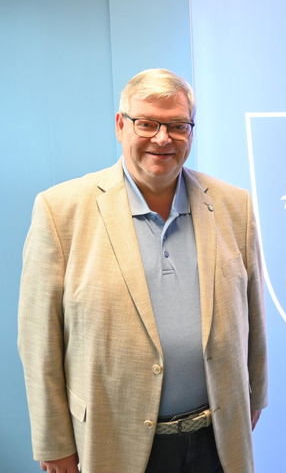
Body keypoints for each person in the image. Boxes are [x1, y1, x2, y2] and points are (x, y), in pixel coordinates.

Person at [18, 68, 267, 473]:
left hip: (216, 439)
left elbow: (252, 317)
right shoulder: (60, 210)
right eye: (147, 123)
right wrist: (53, 439)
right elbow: (38, 341)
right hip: (112, 439)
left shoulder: (233, 206)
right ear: (121, 125)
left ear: (191, 129)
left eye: (176, 125)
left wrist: (252, 398)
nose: (162, 138)